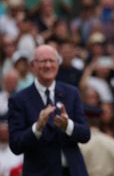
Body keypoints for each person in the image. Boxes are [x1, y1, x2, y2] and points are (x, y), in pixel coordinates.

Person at [7, 44, 90, 176]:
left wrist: (67, 125)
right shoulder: (19, 100)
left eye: (51, 61)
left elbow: (85, 134)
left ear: (58, 64)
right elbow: (16, 145)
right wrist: (37, 128)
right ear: (33, 65)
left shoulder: (71, 93)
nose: (48, 65)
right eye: (43, 61)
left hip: (73, 171)